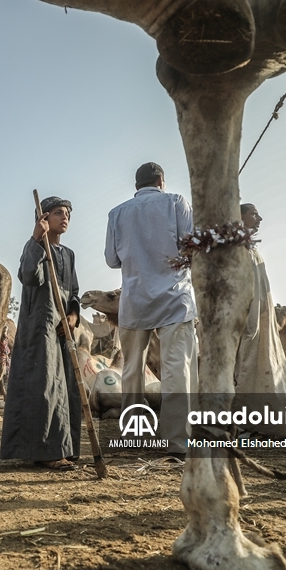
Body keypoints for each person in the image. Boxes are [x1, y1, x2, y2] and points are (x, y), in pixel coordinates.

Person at [105, 162, 197, 452]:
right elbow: (191, 246)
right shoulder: (176, 202)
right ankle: (176, 441)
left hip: (136, 300)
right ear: (161, 180)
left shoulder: (117, 213)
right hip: (174, 298)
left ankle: (135, 435)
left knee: (131, 370)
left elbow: (111, 260)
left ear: (137, 185)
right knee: (176, 369)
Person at [0, 196, 82, 471]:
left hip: (62, 330)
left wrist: (72, 316)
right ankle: (45, 451)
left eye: (67, 213)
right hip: (40, 326)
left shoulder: (68, 255)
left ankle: (63, 447)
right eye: (59, 213)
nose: (65, 217)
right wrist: (36, 240)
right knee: (43, 386)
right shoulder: (34, 247)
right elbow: (29, 276)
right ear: (44, 219)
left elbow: (74, 293)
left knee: (64, 387)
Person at [231, 203, 286, 436]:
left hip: (260, 316)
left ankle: (258, 419)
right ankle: (243, 420)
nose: (260, 218)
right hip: (245, 317)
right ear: (240, 217)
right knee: (244, 362)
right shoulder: (234, 249)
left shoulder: (252, 248)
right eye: (254, 214)